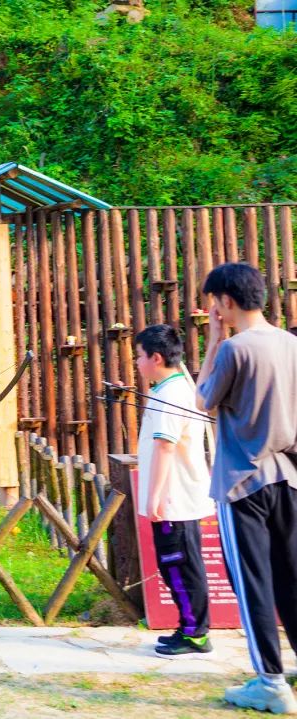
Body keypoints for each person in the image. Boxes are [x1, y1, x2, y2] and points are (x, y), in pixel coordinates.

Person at [195, 263, 297, 714]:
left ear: (226, 302)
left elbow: (202, 400)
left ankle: (270, 682)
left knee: (253, 583)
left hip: (243, 483)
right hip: (289, 477)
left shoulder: (235, 349)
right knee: (293, 578)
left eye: (214, 302)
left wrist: (214, 340)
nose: (213, 310)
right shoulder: (291, 344)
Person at [132, 325, 215, 658]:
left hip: (173, 497)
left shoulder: (170, 394)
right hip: (177, 495)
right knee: (182, 564)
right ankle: (191, 627)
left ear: (156, 358)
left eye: (139, 357)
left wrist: (154, 497)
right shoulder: (175, 387)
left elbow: (166, 447)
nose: (137, 363)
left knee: (177, 565)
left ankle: (195, 632)